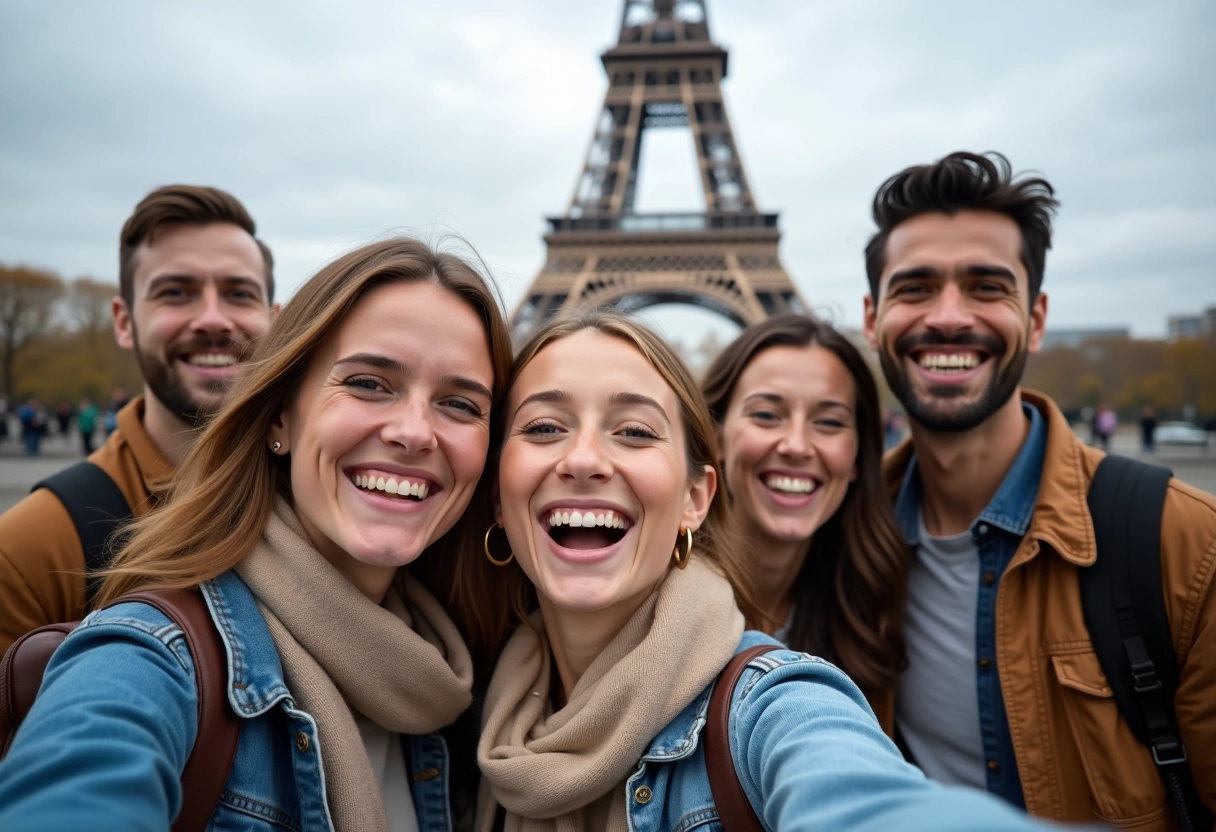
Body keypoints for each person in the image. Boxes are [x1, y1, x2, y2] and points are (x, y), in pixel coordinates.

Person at [0, 237, 514, 832]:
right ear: (279, 417)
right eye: (370, 383)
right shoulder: (148, 658)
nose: (414, 432)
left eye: (459, 403)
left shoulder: (454, 681)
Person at [473, 310, 1057, 831]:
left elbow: (854, 785)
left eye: (635, 431)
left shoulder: (773, 701)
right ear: (496, 491)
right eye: (545, 426)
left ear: (696, 498)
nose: (583, 459)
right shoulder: (468, 703)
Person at [862, 151, 1216, 826]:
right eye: (915, 288)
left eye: (986, 286)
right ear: (872, 317)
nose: (947, 316)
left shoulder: (1187, 546)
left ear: (1038, 316)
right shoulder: (837, 539)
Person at [0, 185, 277, 653]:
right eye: (176, 292)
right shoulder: (30, 551)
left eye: (238, 293)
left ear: (274, 319)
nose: (213, 319)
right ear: (124, 321)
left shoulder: (330, 493)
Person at [701, 314, 908, 698]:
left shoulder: (868, 607)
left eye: (829, 422)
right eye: (765, 415)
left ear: (857, 458)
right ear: (716, 438)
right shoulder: (648, 605)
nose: (796, 445)